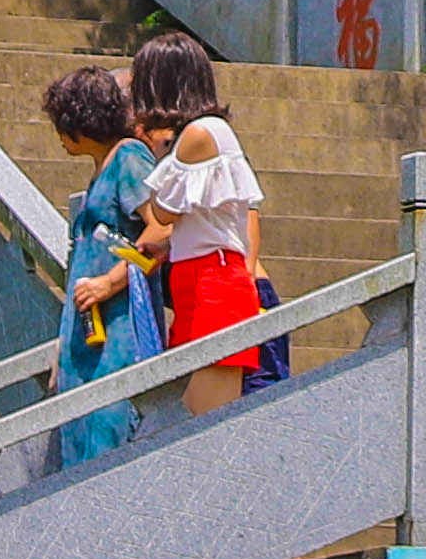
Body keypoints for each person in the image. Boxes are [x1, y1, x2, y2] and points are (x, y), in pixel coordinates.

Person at [129, 32, 267, 410]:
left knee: (205, 418)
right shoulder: (204, 132)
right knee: (191, 414)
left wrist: (157, 151)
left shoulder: (200, 134)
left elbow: (162, 211)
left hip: (214, 282)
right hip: (200, 278)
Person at [44, 63, 159, 468]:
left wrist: (110, 283)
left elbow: (161, 233)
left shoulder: (129, 159)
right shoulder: (103, 168)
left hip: (118, 330)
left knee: (107, 443)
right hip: (86, 336)